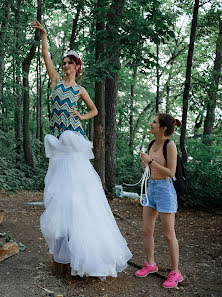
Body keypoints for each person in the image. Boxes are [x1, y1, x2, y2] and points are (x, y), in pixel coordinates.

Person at [31, 20, 132, 279]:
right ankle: (63, 247)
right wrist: (44, 34)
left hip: (73, 144)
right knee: (57, 194)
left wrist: (81, 115)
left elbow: (95, 110)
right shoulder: (55, 82)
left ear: (77, 67)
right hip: (58, 146)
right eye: (63, 62)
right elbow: (45, 55)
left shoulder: (80, 90)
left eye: (69, 63)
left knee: (78, 195)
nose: (64, 66)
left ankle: (83, 248)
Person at [138, 113, 183, 288]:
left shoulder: (170, 145)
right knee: (147, 230)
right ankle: (150, 264)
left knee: (168, 234)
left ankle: (176, 273)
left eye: (154, 122)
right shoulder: (151, 144)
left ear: (163, 128)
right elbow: (151, 167)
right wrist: (146, 165)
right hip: (151, 188)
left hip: (165, 189)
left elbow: (171, 173)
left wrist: (151, 162)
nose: (151, 124)